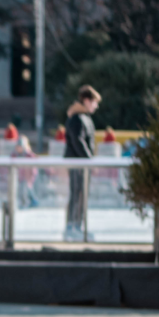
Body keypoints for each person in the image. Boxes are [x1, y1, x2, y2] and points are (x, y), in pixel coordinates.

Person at [64, 85, 101, 241]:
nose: (96, 106)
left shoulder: (83, 117)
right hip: (78, 164)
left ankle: (77, 226)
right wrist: (88, 160)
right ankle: (72, 227)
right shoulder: (77, 118)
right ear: (87, 100)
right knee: (77, 193)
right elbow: (78, 141)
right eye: (94, 102)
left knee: (81, 194)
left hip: (81, 164)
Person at [12, 135, 39, 208]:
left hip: (28, 177)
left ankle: (29, 202)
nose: (19, 148)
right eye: (18, 146)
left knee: (26, 190)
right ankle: (31, 201)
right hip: (19, 177)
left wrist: (32, 176)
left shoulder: (29, 155)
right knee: (24, 190)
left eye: (20, 146)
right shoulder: (14, 155)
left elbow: (33, 168)